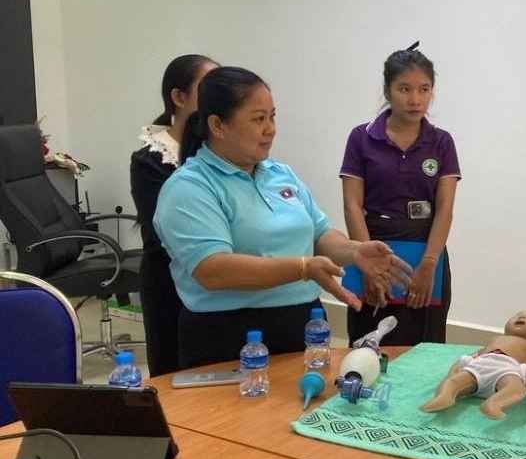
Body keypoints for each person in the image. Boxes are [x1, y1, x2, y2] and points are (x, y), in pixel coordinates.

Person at [154, 66, 412, 369]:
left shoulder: (280, 174)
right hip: (227, 334)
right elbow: (213, 269)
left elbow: (319, 234)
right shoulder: (189, 187)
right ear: (218, 125)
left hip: (302, 324)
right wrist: (302, 268)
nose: (271, 129)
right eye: (258, 119)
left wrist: (354, 251)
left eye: (272, 117)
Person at [340, 44, 460, 346]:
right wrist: (368, 263)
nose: (415, 99)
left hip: (426, 251)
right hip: (372, 246)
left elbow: (445, 208)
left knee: (425, 347)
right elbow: (352, 205)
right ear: (387, 90)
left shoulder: (442, 142)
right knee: (368, 347)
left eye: (424, 89)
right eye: (404, 89)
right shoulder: (361, 137)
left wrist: (429, 264)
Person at [130, 54, 217, 376]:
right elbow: (161, 234)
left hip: (219, 285)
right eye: (207, 89)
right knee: (173, 376)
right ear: (179, 98)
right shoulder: (150, 161)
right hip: (168, 283)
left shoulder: (224, 155)